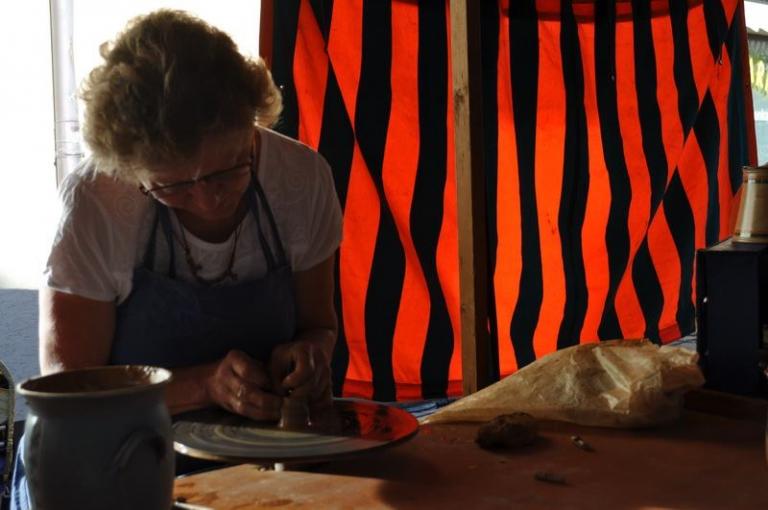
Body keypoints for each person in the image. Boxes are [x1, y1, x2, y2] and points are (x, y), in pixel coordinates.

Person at [12, 9, 342, 509]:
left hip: (261, 461)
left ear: (250, 123)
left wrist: (309, 355)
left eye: (230, 169)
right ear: (133, 171)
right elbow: (69, 396)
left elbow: (319, 324)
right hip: (109, 465)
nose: (210, 200)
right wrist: (203, 385)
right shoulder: (97, 200)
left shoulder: (301, 180)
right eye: (174, 186)